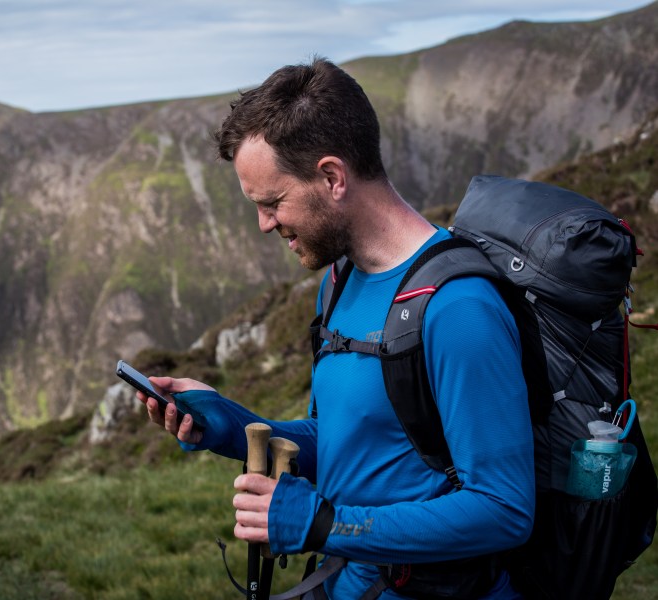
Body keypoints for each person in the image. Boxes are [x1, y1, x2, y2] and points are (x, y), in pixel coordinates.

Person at [137, 57, 535, 599]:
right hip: (342, 584)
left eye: (273, 202)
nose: (265, 224)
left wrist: (325, 525)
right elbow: (352, 442)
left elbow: (504, 509)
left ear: (332, 177)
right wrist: (232, 426)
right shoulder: (339, 281)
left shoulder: (458, 307)